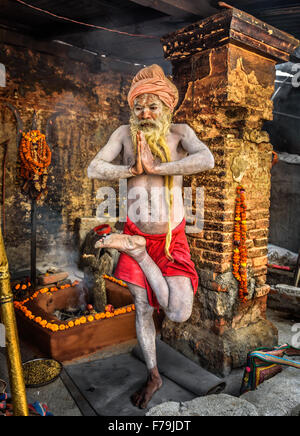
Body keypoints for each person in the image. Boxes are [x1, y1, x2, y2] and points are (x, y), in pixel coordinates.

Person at [87, 64, 214, 409]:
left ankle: (140, 252)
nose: (144, 113)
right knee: (142, 308)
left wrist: (159, 168)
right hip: (134, 230)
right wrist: (131, 170)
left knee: (178, 312)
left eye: (152, 106)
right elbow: (94, 168)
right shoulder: (124, 135)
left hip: (171, 242)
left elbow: (208, 158)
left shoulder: (180, 133)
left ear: (167, 108)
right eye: (138, 106)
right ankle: (154, 374)